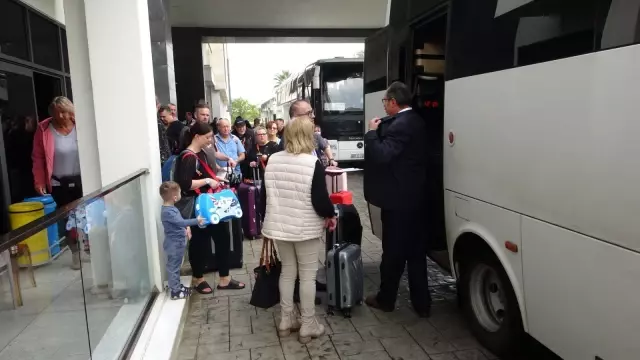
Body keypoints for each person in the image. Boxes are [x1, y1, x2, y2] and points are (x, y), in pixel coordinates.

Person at [260, 116, 336, 344]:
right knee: (307, 277)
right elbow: (320, 199)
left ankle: (286, 320)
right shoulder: (312, 163)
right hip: (305, 228)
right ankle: (308, 324)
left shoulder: (272, 159)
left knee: (287, 272)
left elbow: (264, 197)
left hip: (280, 227)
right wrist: (331, 215)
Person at [363, 81, 431, 317]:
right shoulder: (418, 120)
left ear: (393, 102)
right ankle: (422, 304)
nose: (383, 105)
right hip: (416, 198)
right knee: (416, 254)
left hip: (398, 201)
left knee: (392, 254)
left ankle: (386, 299)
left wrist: (371, 133)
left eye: (385, 101)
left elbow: (382, 155)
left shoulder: (400, 124)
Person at [175, 121, 246, 294]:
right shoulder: (188, 156)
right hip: (198, 206)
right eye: (207, 137)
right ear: (196, 136)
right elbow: (184, 184)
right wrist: (208, 181)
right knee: (200, 242)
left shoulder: (202, 153)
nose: (210, 140)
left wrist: (215, 179)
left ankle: (224, 278)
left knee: (222, 238)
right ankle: (198, 278)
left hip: (209, 203)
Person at [32, 96, 88, 270]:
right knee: (68, 220)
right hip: (58, 183)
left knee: (88, 216)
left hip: (82, 180)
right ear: (52, 114)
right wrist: (39, 180)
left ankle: (91, 248)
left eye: (66, 112)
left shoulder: (81, 125)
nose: (63, 116)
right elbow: (38, 158)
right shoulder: (44, 130)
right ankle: (75, 252)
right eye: (59, 113)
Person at [160, 181, 205, 299]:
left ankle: (177, 286)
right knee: (173, 267)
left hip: (177, 242)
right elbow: (181, 222)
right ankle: (175, 291)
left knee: (176, 266)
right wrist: (197, 220)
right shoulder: (168, 212)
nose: (181, 194)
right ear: (175, 197)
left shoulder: (170, 208)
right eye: (180, 193)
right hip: (174, 244)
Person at [283, 100, 338, 167]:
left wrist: (331, 159)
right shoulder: (285, 142)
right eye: (309, 113)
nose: (313, 116)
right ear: (295, 117)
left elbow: (325, 146)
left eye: (312, 112)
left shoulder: (315, 136)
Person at [156, 96, 171, 165]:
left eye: (164, 117)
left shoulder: (178, 126)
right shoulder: (158, 124)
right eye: (161, 117)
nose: (162, 119)